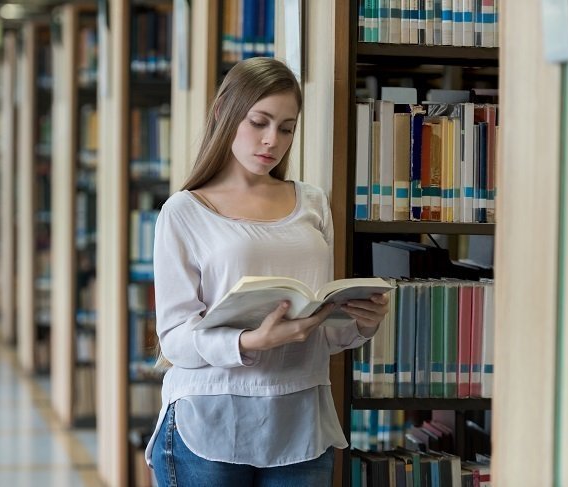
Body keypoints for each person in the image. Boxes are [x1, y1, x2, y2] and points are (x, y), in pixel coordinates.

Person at [147, 57, 390, 486]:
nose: (271, 140)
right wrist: (247, 343)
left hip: (301, 419)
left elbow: (320, 329)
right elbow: (175, 339)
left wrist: (360, 325)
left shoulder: (312, 204)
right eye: (259, 122)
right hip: (210, 418)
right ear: (224, 112)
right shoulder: (184, 212)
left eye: (286, 128)